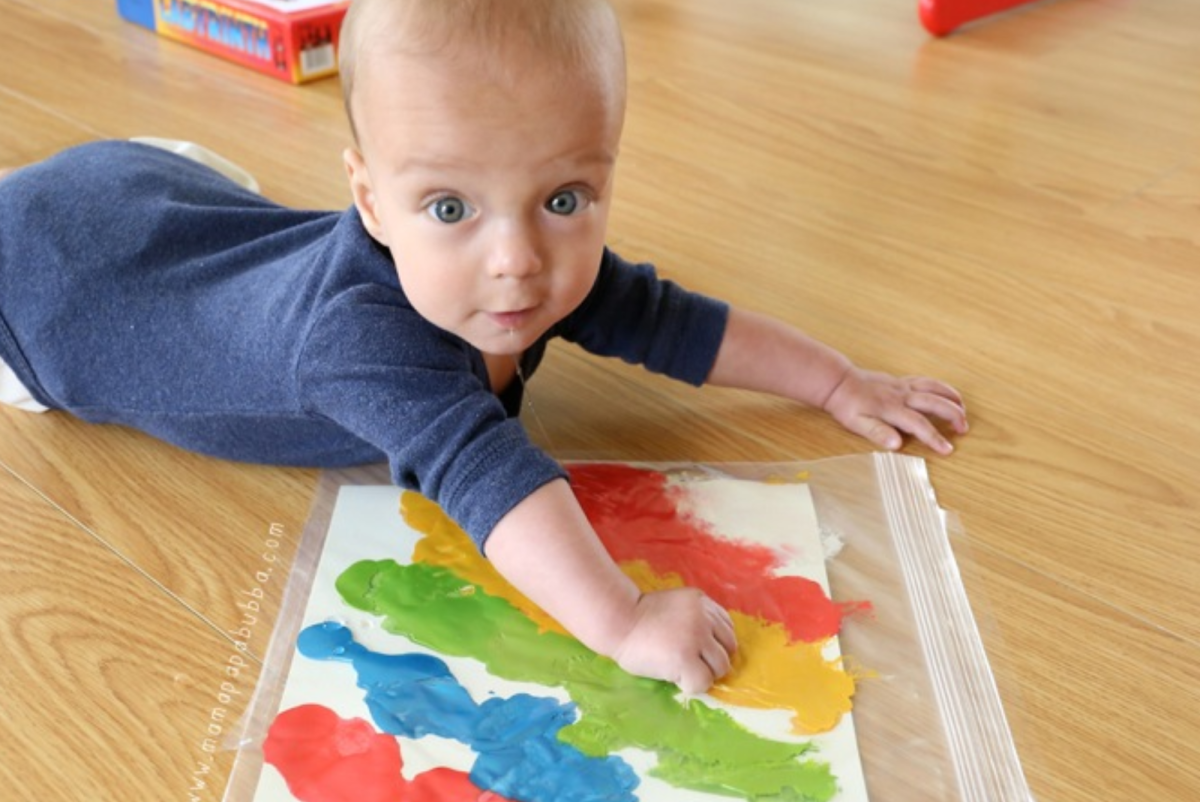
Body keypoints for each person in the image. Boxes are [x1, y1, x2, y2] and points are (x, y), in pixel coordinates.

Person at [0, 0, 967, 694]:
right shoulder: (362, 341)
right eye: (450, 207)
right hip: (40, 300)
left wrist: (837, 382)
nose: (516, 261)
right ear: (369, 200)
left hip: (139, 194)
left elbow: (671, 320)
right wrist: (625, 619)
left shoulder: (523, 267)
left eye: (563, 198)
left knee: (190, 205)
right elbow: (490, 476)